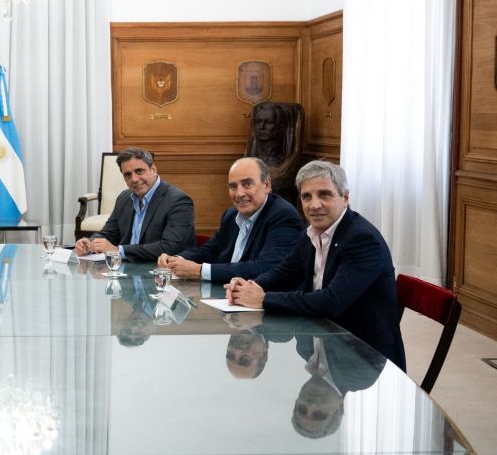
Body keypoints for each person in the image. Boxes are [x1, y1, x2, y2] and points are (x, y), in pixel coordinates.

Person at [225, 160, 406, 370]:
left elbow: (331, 301)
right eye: (307, 196)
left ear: (345, 197)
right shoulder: (310, 232)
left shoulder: (363, 239)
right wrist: (249, 286)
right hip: (321, 346)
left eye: (324, 195)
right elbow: (285, 273)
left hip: (363, 359)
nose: (314, 205)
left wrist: (262, 299)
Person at [158, 157, 303, 283]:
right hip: (224, 294)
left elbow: (265, 268)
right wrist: (176, 259)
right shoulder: (231, 214)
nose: (239, 193)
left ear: (267, 185)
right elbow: (210, 251)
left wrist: (200, 271)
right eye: (233, 186)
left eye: (247, 184)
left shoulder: (283, 215)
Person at [74, 147, 195, 261]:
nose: (134, 179)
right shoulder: (124, 198)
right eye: (127, 175)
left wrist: (118, 251)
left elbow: (169, 247)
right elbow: (108, 233)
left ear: (153, 169)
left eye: (139, 171)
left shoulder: (178, 201)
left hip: (162, 270)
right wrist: (89, 243)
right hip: (125, 268)